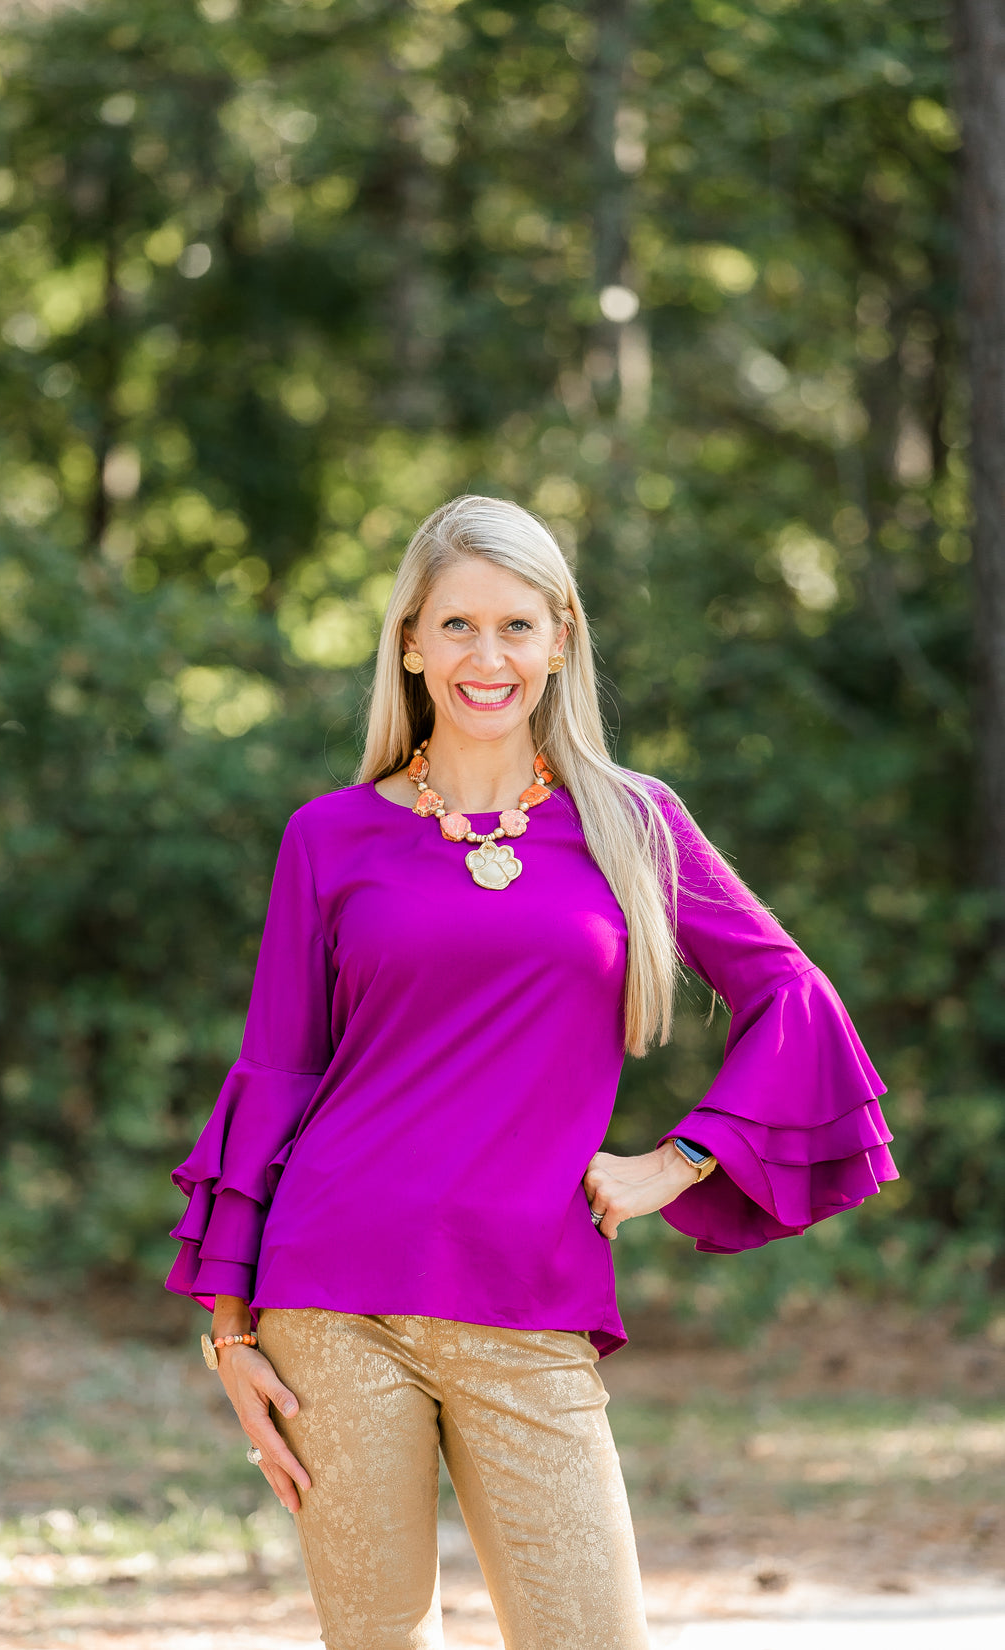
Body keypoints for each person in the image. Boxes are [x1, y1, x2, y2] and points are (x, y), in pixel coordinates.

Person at [166, 494, 896, 1650]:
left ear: (561, 638)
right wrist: (232, 1333)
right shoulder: (331, 835)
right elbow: (276, 1071)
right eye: (453, 625)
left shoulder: (633, 825)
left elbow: (790, 999)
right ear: (408, 642)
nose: (484, 656)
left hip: (528, 1294)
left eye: (515, 625)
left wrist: (677, 1160)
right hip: (330, 1296)